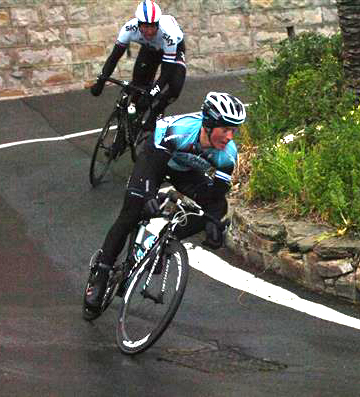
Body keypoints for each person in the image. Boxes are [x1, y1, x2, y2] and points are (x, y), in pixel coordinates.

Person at [84, 92, 246, 309]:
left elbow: (216, 197)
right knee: (131, 212)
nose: (229, 137)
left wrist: (213, 223)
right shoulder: (180, 131)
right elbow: (151, 168)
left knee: (218, 208)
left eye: (233, 131)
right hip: (155, 159)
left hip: (185, 171)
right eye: (225, 130)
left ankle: (163, 242)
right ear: (208, 125)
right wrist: (149, 195)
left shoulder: (227, 155)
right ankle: (102, 273)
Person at [90, 0, 186, 130]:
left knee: (175, 87)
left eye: (152, 26)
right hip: (150, 49)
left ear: (158, 24)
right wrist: (101, 80)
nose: (149, 31)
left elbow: (166, 73)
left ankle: (156, 112)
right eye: (145, 27)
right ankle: (131, 115)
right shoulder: (129, 28)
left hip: (174, 50)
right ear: (138, 24)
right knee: (138, 84)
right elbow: (114, 57)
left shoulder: (168, 33)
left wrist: (154, 91)